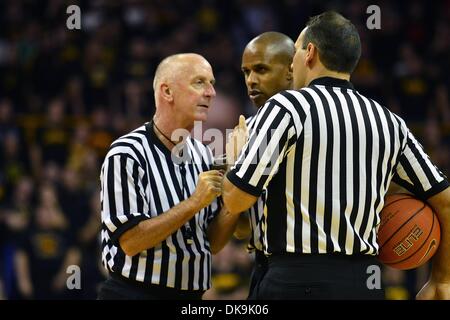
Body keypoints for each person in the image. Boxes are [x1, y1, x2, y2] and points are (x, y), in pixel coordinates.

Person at [222, 11, 450, 300]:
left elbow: (236, 199)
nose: (292, 61)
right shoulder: (389, 121)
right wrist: (442, 279)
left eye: (295, 52)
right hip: (363, 283)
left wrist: (236, 161)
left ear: (310, 53)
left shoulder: (286, 107)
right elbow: (445, 200)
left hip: (293, 280)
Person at [98, 53, 241, 300]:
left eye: (212, 83)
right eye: (199, 82)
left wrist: (239, 186)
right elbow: (131, 242)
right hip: (134, 293)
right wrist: (194, 202)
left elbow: (214, 243)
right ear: (167, 92)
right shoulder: (126, 153)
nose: (211, 93)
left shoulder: (204, 155)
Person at [232, 31, 295, 299]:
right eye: (246, 72)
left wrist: (233, 166)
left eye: (261, 69)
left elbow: (235, 204)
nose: (251, 80)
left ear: (291, 70)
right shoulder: (252, 125)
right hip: (266, 265)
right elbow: (243, 226)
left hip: (288, 271)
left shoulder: (263, 125)